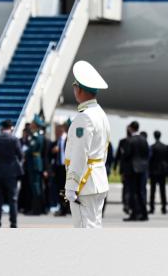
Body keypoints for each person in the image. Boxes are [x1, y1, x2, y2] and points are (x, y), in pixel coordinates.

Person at [63, 60, 112, 228]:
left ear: (79, 90)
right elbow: (104, 151)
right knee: (94, 226)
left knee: (84, 229)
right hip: (97, 180)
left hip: (85, 183)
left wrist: (72, 185)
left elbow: (80, 152)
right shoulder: (100, 114)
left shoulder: (84, 117)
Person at [0, 119, 23, 228]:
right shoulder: (14, 139)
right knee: (13, 199)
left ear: (1, 128)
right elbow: (20, 155)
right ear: (11, 128)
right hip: (11, 173)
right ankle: (13, 222)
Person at [123, 121, 150, 221]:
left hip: (132, 169)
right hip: (142, 169)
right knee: (141, 192)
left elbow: (126, 155)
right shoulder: (144, 140)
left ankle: (134, 214)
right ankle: (144, 214)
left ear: (131, 128)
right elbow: (147, 153)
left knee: (132, 192)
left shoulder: (130, 140)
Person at [50, 122, 70, 216]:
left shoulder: (68, 139)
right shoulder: (57, 141)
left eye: (58, 130)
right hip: (59, 168)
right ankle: (63, 208)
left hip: (67, 167)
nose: (56, 132)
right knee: (61, 189)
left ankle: (66, 208)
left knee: (67, 188)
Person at [148, 130, 168, 214]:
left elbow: (150, 159)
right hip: (163, 170)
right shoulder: (165, 147)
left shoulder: (152, 147)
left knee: (152, 191)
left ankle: (152, 208)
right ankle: (164, 207)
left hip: (154, 170)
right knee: (163, 190)